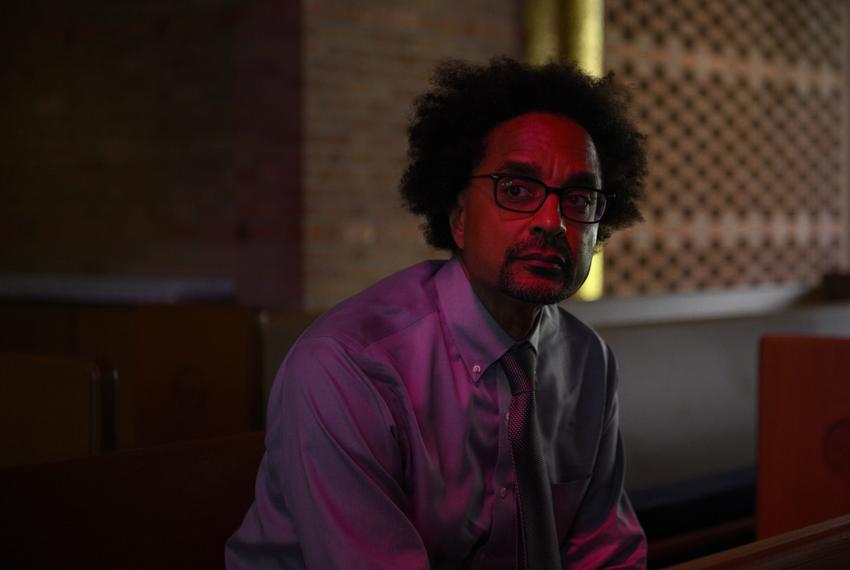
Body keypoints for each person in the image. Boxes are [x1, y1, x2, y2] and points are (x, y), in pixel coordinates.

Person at [226, 56, 648, 569]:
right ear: (458, 216)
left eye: (578, 198)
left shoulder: (588, 362)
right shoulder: (347, 368)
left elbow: (605, 552)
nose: (552, 222)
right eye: (516, 189)